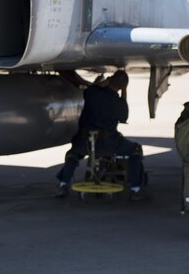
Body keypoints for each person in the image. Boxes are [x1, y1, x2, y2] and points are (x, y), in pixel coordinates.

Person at [54, 70, 146, 201]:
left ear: (110, 79)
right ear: (123, 86)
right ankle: (135, 190)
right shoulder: (119, 103)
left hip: (84, 142)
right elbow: (124, 117)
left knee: (72, 155)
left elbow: (89, 89)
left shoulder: (93, 93)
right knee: (136, 150)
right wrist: (124, 91)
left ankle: (63, 185)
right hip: (109, 144)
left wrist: (103, 83)